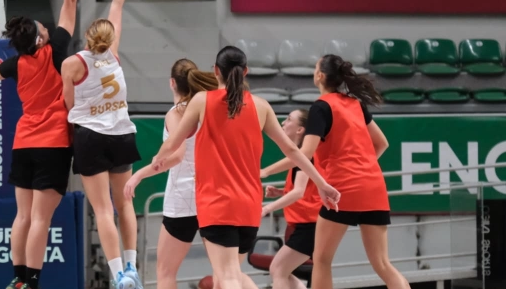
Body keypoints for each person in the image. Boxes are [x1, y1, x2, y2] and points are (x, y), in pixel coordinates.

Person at [149, 46, 340, 289]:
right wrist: (322, 184)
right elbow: (293, 151)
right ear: (246, 71)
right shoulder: (261, 106)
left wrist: (157, 158)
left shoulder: (202, 101)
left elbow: (173, 143)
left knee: (227, 278)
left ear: (216, 71)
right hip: (249, 208)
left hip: (217, 204)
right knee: (231, 276)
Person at [0, 0, 85, 289]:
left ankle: (18, 280)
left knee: (22, 217)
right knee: (41, 220)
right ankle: (33, 282)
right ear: (40, 37)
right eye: (42, 25)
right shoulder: (55, 50)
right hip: (53, 143)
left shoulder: (16, 64)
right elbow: (69, 2)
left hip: (23, 142)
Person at [259, 55, 409, 289]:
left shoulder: (321, 107)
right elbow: (382, 144)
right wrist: (363, 168)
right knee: (382, 264)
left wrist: (265, 171)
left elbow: (304, 153)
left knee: (321, 260)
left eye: (315, 68)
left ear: (320, 76)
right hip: (374, 186)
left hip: (344, 189)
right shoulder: (356, 104)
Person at [123, 59, 259, 289]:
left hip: (183, 199)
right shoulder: (211, 108)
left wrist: (138, 175)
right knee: (228, 273)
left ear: (172, 83)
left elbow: (176, 155)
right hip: (214, 196)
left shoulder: (177, 113)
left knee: (165, 272)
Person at [60, 0, 143, 289]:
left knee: (103, 209)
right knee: (126, 205)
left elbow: (68, 105)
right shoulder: (114, 54)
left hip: (91, 136)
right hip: (122, 132)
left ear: (86, 38)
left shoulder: (72, 64)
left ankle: (118, 275)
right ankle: (133, 267)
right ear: (109, 39)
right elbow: (118, 4)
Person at [260, 109, 323, 289]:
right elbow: (307, 190)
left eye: (288, 120)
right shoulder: (301, 157)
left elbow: (299, 192)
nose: (282, 123)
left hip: (311, 226)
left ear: (300, 130)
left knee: (278, 270)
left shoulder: (304, 157)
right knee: (281, 271)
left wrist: (267, 208)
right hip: (307, 224)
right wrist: (282, 192)